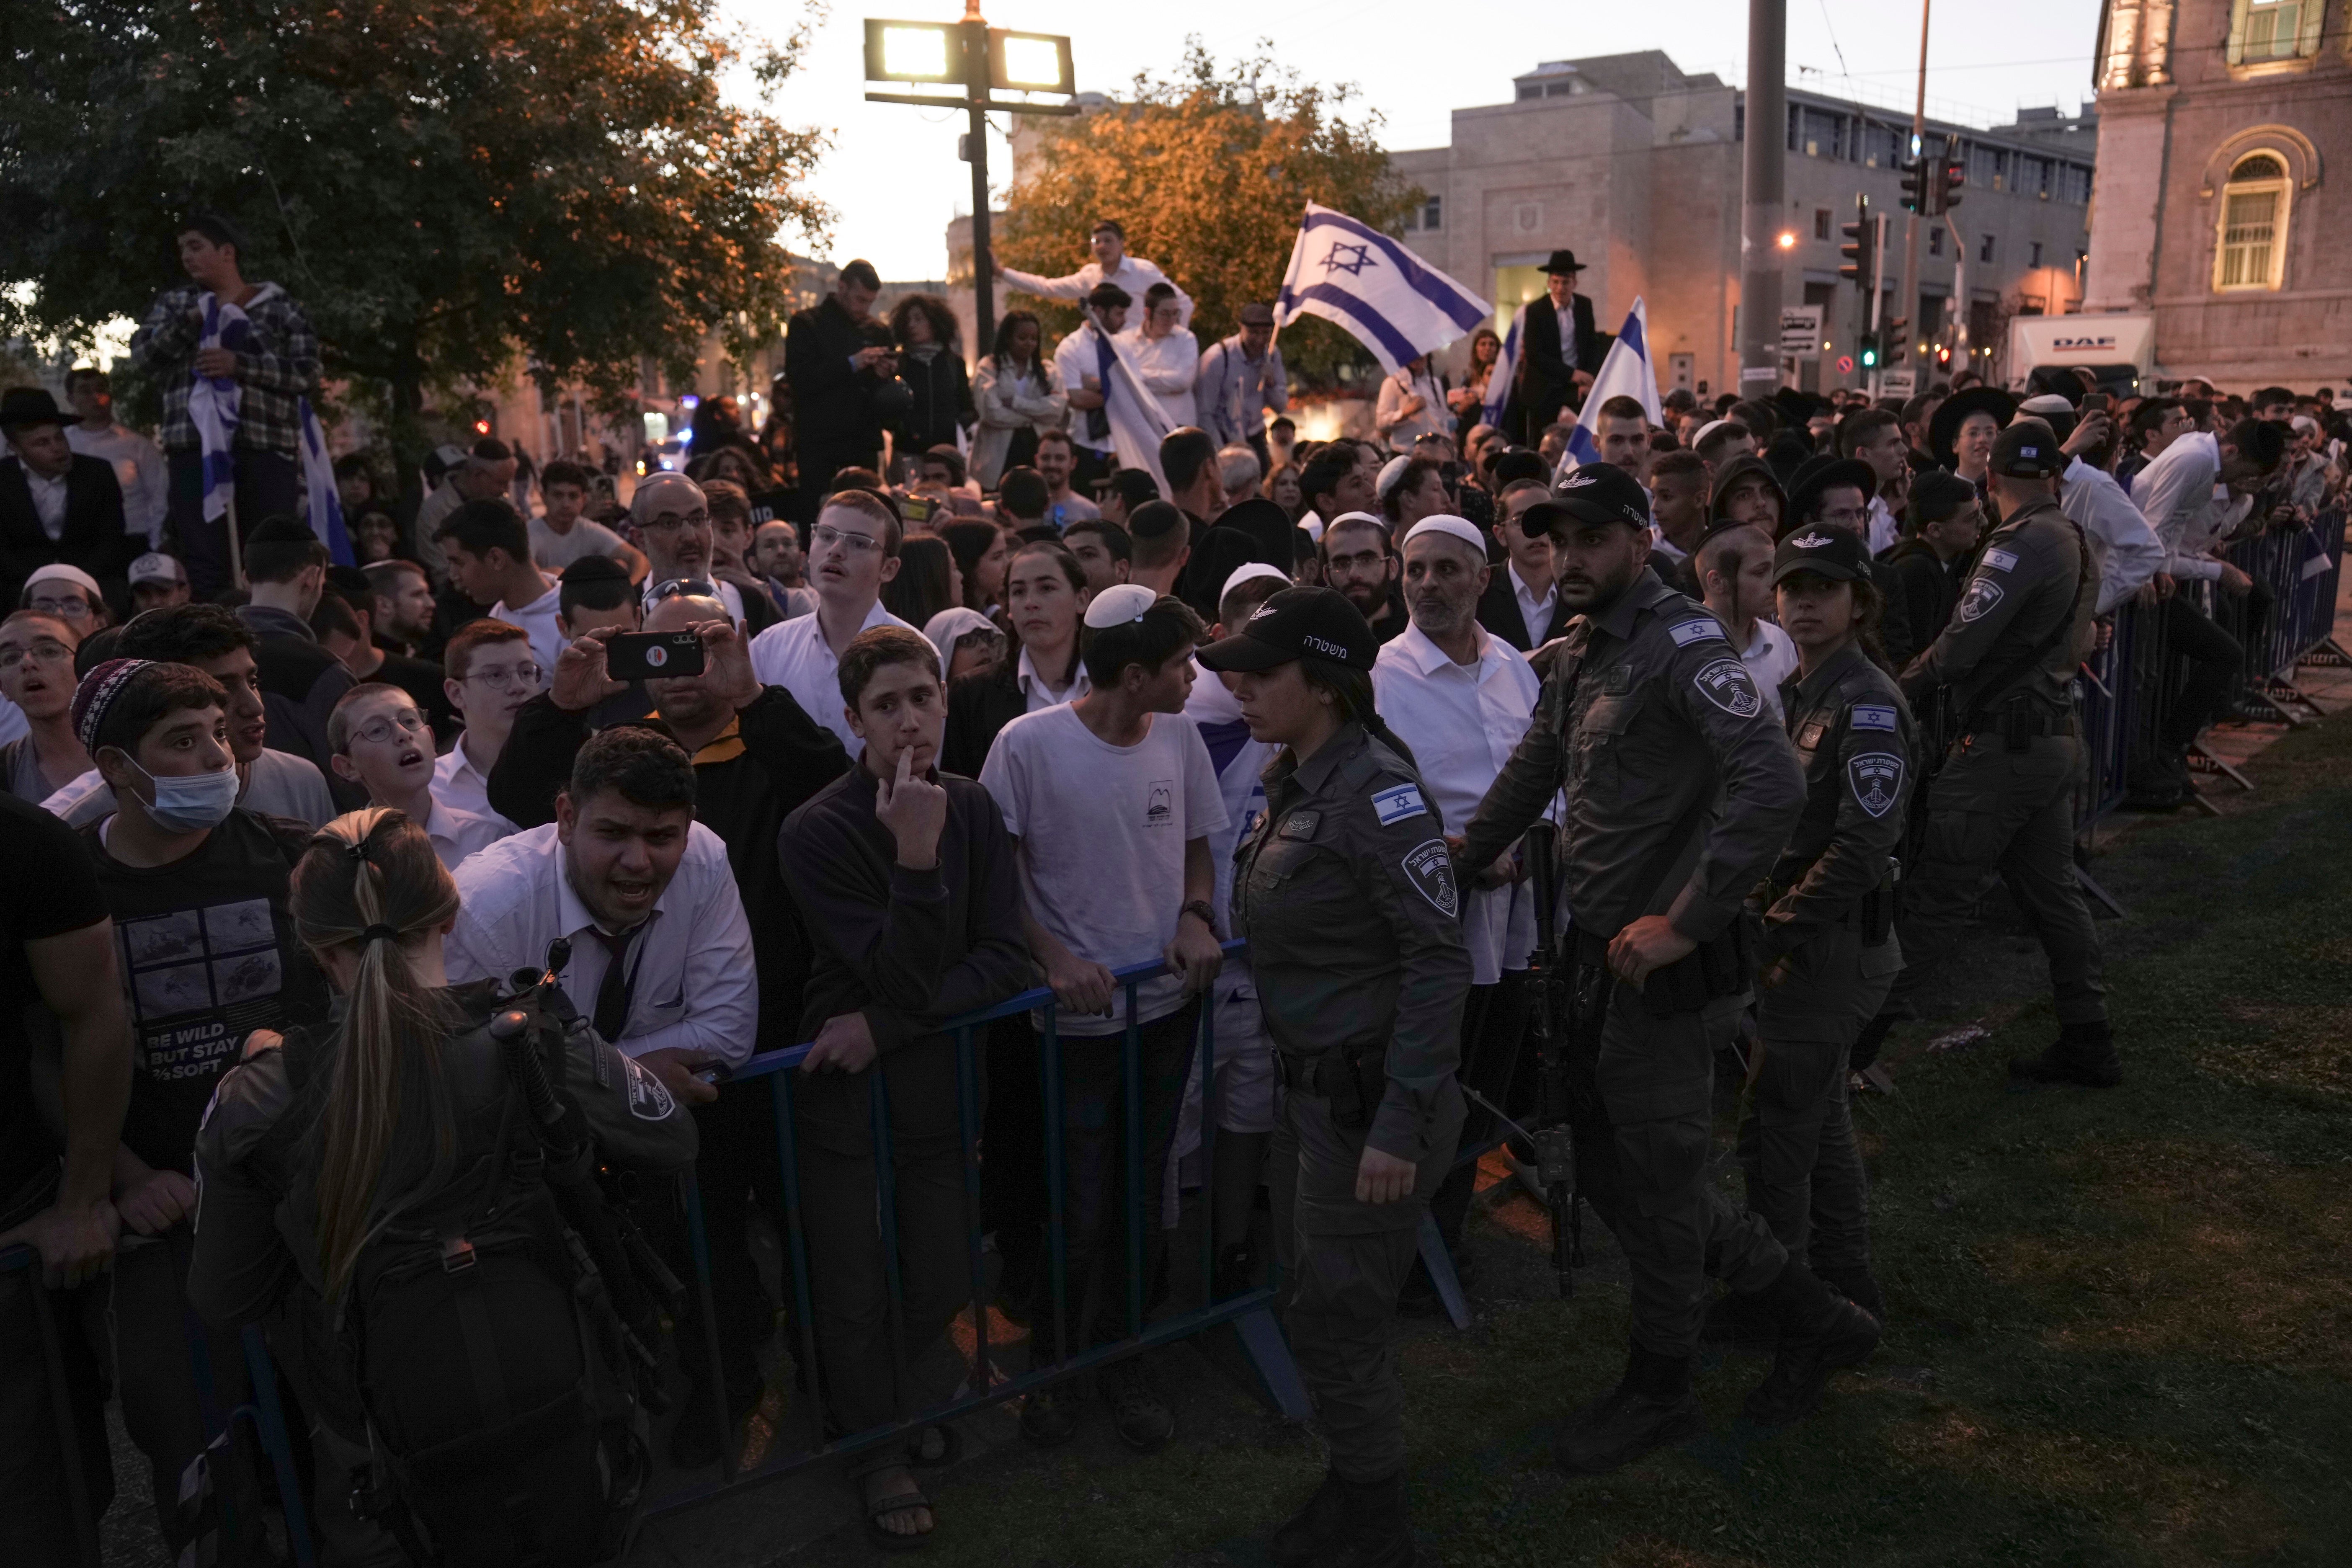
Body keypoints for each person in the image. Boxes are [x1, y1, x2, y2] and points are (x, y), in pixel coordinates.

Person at [1456, 462, 1877, 1474]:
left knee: (1654, 1168)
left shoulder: (1681, 642)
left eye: (1593, 539)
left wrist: (1686, 921)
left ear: (1641, 542)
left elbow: (1769, 779)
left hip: (1661, 962)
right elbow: (1536, 763)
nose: (1571, 558)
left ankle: (1665, 1383)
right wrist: (1460, 856)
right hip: (1603, 956)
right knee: (1613, 1164)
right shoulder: (1584, 651)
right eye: (1558, 541)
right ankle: (1801, 1308)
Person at [187, 806, 698, 1563]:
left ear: (312, 944)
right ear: (451, 910)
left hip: (378, 1438)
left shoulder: (261, 1096)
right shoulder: (529, 1032)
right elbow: (670, 1134)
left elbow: (224, 1293)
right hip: (563, 1392)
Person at [1201, 586, 1467, 1568]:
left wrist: (1400, 1120)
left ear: (1324, 683)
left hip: (1366, 1107)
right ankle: (1357, 1481)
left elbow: (1437, 960)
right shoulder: (1298, 776)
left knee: (1341, 1312)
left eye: (1262, 672)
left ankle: (1377, 1519)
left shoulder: (1374, 792)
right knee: (1318, 1299)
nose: (1240, 686)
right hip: (1314, 1092)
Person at [69, 657, 330, 1562]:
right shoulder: (66, 890)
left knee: (328, 1425)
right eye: (182, 742)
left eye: (218, 734)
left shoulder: (293, 855)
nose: (216, 757)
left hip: (304, 1191)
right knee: (190, 1432)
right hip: (165, 1221)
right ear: (115, 767)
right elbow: (42, 1050)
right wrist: (127, 1177)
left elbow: (345, 1011)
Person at [778, 624, 1030, 1548]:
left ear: (945, 702)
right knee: (850, 1286)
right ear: (854, 721)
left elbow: (1004, 959)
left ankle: (876, 1405)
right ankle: (876, 1447)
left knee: (943, 1274)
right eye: (886, 706)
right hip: (848, 1106)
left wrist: (885, 1027)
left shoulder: (972, 809)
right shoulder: (815, 831)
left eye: (923, 698)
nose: (909, 721)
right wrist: (915, 860)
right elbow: (903, 973)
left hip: (935, 1091)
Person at [976, 585, 1226, 1452]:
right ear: (1132, 675)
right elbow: (997, 877)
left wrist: (1197, 914)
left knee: (1137, 1192)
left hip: (1163, 1011)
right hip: (1073, 1027)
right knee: (1076, 1206)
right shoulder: (1027, 746)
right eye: (1181, 665)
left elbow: (1197, 842)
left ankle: (1124, 1358)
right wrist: (1051, 958)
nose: (1194, 679)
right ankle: (1053, 1368)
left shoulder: (1183, 739)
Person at [1882, 421, 2113, 1086]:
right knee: (2055, 895)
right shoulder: (2071, 537)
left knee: (1938, 896)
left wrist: (1894, 688)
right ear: (2054, 477)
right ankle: (2087, 1032)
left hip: (2003, 752)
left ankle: (1853, 1041)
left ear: (1990, 480)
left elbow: (1959, 649)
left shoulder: (2017, 545)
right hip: (2050, 736)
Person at [1725, 526, 1913, 1342]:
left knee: (1777, 1142)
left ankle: (1791, 1312)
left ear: (1859, 602)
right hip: (1810, 943)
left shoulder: (1864, 702)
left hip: (1828, 950)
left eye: (1824, 588)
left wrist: (1772, 933)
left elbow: (1860, 850)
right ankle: (1847, 1281)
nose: (1804, 601)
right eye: (1792, 586)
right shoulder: (1804, 689)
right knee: (1819, 1122)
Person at [1371, 518, 1541, 1300]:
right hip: (1433, 924)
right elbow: (1375, 802)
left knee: (1487, 1081)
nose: (1429, 583)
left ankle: (1448, 1233)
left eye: (1447, 570)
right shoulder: (1380, 680)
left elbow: (1549, 775)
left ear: (1482, 579)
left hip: (1515, 918)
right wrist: (1460, 853)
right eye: (1416, 569)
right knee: (1430, 1088)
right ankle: (1407, 1252)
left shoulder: (1512, 666)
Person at [0, 790, 129, 1566]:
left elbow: (92, 1013)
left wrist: (82, 1199)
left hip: (10, 1228)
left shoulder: (22, 842)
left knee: (34, 1512)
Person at [127, 213, 320, 598]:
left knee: (268, 557)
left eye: (196, 247)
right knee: (205, 559)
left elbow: (308, 374)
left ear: (227, 252)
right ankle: (217, 642)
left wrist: (240, 366)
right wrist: (192, 321)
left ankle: (268, 641)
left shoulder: (279, 307)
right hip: (194, 451)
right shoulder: (176, 305)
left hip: (264, 448)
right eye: (182, 249)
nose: (187, 257)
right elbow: (144, 357)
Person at [42, 604, 338, 829]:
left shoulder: (302, 782)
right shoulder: (74, 823)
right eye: (221, 689)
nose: (254, 707)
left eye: (253, 681)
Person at [2125, 417, 2286, 807]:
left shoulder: (2203, 458)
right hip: (2134, 580)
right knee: (2161, 676)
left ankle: (2164, 757)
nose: (2246, 483)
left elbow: (2170, 532)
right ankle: (2155, 761)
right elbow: (2154, 527)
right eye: (2246, 473)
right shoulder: (2197, 459)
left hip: (2151, 576)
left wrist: (2165, 569)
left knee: (2172, 673)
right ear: (2232, 451)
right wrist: (2210, 570)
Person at [750, 490, 913, 756]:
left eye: (859, 543)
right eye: (826, 536)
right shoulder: (767, 648)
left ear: (889, 569)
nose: (836, 551)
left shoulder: (917, 654)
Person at [941, 539, 1092, 776]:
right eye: (1019, 592)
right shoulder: (972, 694)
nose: (1031, 603)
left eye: (1047, 588)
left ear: (1082, 599)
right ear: (1009, 606)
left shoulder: (1113, 683)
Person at [327, 683, 510, 869]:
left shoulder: (488, 839)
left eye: (410, 721)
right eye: (377, 730)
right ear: (347, 767)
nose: (404, 734)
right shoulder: (343, 862)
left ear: (431, 739)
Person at [235, 514, 358, 781]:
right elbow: (353, 778)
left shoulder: (202, 655)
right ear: (312, 578)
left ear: (246, 579)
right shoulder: (323, 670)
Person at [1, 387, 135, 616]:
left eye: (59, 437)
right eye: (42, 443)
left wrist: (75, 581)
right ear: (16, 449)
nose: (58, 449)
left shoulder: (97, 473)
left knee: (116, 599)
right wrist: (39, 583)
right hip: (20, 583)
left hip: (91, 578)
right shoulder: (4, 481)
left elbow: (111, 538)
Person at [785, 260, 896, 520]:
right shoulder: (807, 324)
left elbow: (883, 391)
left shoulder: (877, 331)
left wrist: (884, 374)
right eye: (859, 300)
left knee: (864, 512)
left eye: (870, 302)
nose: (864, 309)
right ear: (841, 288)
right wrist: (853, 363)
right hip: (819, 440)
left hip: (862, 439)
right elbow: (801, 380)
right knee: (818, 512)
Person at [313, 574, 456, 741]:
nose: (311, 638)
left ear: (360, 620)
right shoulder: (314, 690)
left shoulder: (429, 679)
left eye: (321, 626)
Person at [437, 499, 562, 680]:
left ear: (496, 559)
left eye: (459, 562)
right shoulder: (497, 615)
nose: (454, 575)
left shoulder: (572, 620)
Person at [1000, 217, 1193, 328]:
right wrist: (1002, 273)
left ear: (1121, 243)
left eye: (1108, 240)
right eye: (1096, 242)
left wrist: (1170, 338)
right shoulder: (1090, 277)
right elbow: (1047, 287)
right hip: (1106, 354)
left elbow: (1184, 303)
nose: (1102, 247)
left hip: (1142, 354)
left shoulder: (1142, 270)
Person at [436, 619, 539, 820]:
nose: (518, 687)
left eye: (527, 672)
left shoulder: (569, 765)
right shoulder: (431, 791)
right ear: (456, 693)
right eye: (496, 675)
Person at [1696, 520, 1798, 720]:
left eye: (1775, 569)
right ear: (1717, 582)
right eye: (1760, 572)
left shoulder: (1780, 640)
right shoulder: (1685, 650)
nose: (1776, 581)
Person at [64, 367, 169, 549]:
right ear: (71, 399)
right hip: (79, 543)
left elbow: (160, 497)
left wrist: (155, 544)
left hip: (131, 541)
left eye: (101, 389)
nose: (96, 397)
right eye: (85, 391)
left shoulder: (138, 446)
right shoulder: (64, 443)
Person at [1880, 472, 1981, 658]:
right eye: (1971, 518)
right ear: (1935, 530)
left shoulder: (1941, 565)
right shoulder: (1918, 572)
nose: (1983, 522)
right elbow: (1919, 655)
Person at [1508, 250, 1604, 443]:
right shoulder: (1536, 310)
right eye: (1556, 282)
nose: (1560, 288)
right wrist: (1572, 374)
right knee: (1544, 445)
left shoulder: (1585, 306)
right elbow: (1535, 355)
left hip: (1576, 390)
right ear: (1549, 283)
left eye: (1566, 282)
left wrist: (1587, 379)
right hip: (1544, 390)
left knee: (1578, 443)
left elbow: (1592, 346)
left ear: (1575, 283)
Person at [971, 310, 1068, 490]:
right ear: (1008, 338)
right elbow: (992, 413)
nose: (1029, 344)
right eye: (1023, 337)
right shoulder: (989, 367)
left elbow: (1056, 410)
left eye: (1034, 338)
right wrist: (1033, 417)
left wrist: (1016, 403)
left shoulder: (1048, 370)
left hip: (1036, 448)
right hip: (997, 457)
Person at [1, 611, 92, 801]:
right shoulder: (5, 772)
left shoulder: (136, 753)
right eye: (10, 658)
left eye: (49, 650)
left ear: (84, 665)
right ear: (3, 688)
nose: (27, 663)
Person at [1476, 480, 1571, 652]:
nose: (1535, 530)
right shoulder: (1479, 591)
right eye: (1520, 520)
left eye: (1543, 518)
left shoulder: (1581, 585)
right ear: (1500, 534)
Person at [411, 438, 520, 585]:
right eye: (501, 483)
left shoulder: (500, 502)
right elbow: (444, 575)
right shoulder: (434, 513)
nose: (505, 491)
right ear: (477, 475)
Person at [1196, 302, 1288, 469]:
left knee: (1260, 490)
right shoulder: (1218, 358)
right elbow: (1204, 413)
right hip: (1223, 437)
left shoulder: (1273, 355)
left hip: (1255, 436)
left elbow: (1281, 406)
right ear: (1241, 327)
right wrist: (1223, 451)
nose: (1260, 340)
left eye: (1265, 333)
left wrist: (1271, 382)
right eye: (1253, 333)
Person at [529, 458, 648, 578]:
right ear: (543, 497)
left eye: (573, 496)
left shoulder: (588, 530)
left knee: (619, 566)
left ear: (584, 500)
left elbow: (639, 559)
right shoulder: (529, 534)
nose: (566, 504)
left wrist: (629, 589)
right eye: (558, 495)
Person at [890, 294, 975, 459]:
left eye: (919, 319)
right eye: (907, 321)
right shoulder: (900, 363)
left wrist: (957, 425)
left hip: (947, 455)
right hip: (908, 453)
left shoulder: (953, 363)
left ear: (935, 323)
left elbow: (967, 406)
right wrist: (903, 427)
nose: (912, 325)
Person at [1123, 282, 1200, 431]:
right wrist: (1167, 383)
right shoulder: (1126, 341)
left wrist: (1138, 376)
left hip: (1178, 424)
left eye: (1175, 313)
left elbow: (1183, 381)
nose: (1171, 320)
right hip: (1141, 424)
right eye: (1164, 314)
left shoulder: (1186, 339)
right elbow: (1123, 381)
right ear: (1148, 313)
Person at [1321, 511, 1408, 643]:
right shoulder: (1314, 639)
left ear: (1392, 568)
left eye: (1367, 560)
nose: (1355, 574)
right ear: (1327, 575)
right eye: (1342, 564)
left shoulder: (1418, 636)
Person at [1836, 407, 1911, 554]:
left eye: (1900, 442)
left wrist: (1894, 507)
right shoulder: (1849, 514)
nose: (1904, 450)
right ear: (1863, 454)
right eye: (1892, 444)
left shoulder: (1877, 506)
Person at [364, 556, 441, 664]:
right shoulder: (364, 666)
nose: (431, 604)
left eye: (427, 594)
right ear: (383, 605)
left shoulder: (435, 650)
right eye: (417, 595)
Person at [1374, 355, 1448, 453]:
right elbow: (1381, 423)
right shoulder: (1392, 382)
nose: (1416, 357)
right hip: (1406, 453)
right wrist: (1406, 412)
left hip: (1435, 453)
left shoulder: (1435, 383)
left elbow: (1443, 419)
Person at [751, 518, 820, 620]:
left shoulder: (822, 605)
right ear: (754, 563)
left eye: (787, 544)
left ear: (802, 558)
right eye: (770, 546)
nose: (781, 551)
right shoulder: (749, 606)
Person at [939, 519, 1009, 617]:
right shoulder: (952, 621)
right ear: (969, 564)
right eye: (996, 557)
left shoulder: (1002, 613)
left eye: (1005, 554)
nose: (1007, 563)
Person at [1033, 430, 1100, 532]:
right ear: (1037, 460)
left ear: (1073, 463)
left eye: (1060, 458)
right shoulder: (1025, 509)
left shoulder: (1089, 512)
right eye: (1046, 458)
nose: (1052, 465)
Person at [1448, 327, 1504, 445]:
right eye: (1483, 344)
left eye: (1492, 344)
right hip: (1471, 427)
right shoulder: (1469, 380)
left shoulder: (1505, 377)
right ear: (1476, 349)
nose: (1487, 348)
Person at [128, 551, 192, 616]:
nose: (155, 603)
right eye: (144, 594)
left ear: (185, 593)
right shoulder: (130, 626)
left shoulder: (201, 625)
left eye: (163, 591)